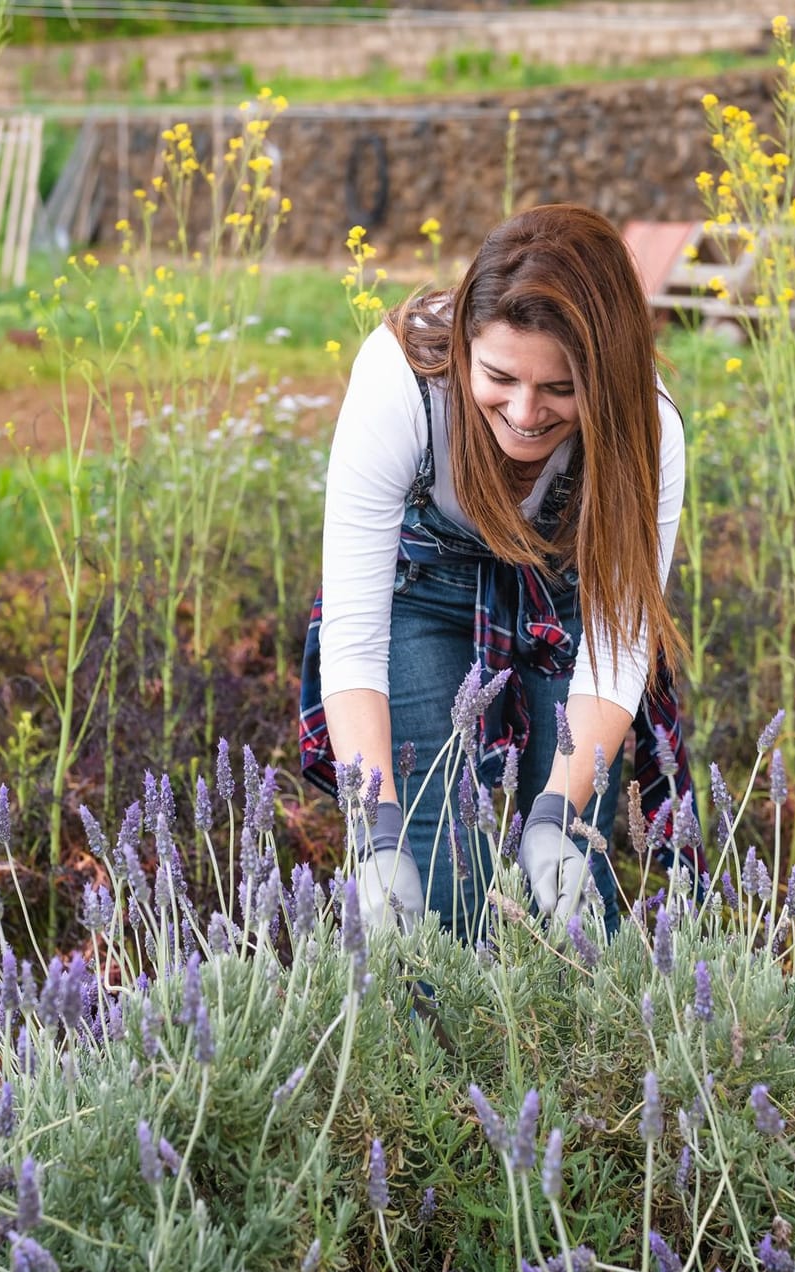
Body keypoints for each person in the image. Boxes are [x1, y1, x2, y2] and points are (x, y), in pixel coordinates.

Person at [298, 203, 700, 937]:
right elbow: (354, 643)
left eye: (560, 390)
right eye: (500, 376)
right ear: (463, 345)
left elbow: (617, 653)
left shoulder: (649, 425)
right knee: (435, 879)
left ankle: (584, 1049)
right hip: (423, 595)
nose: (524, 412)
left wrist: (555, 813)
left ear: (604, 379)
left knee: (573, 879)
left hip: (568, 602)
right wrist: (378, 831)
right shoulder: (400, 381)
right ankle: (436, 1049)